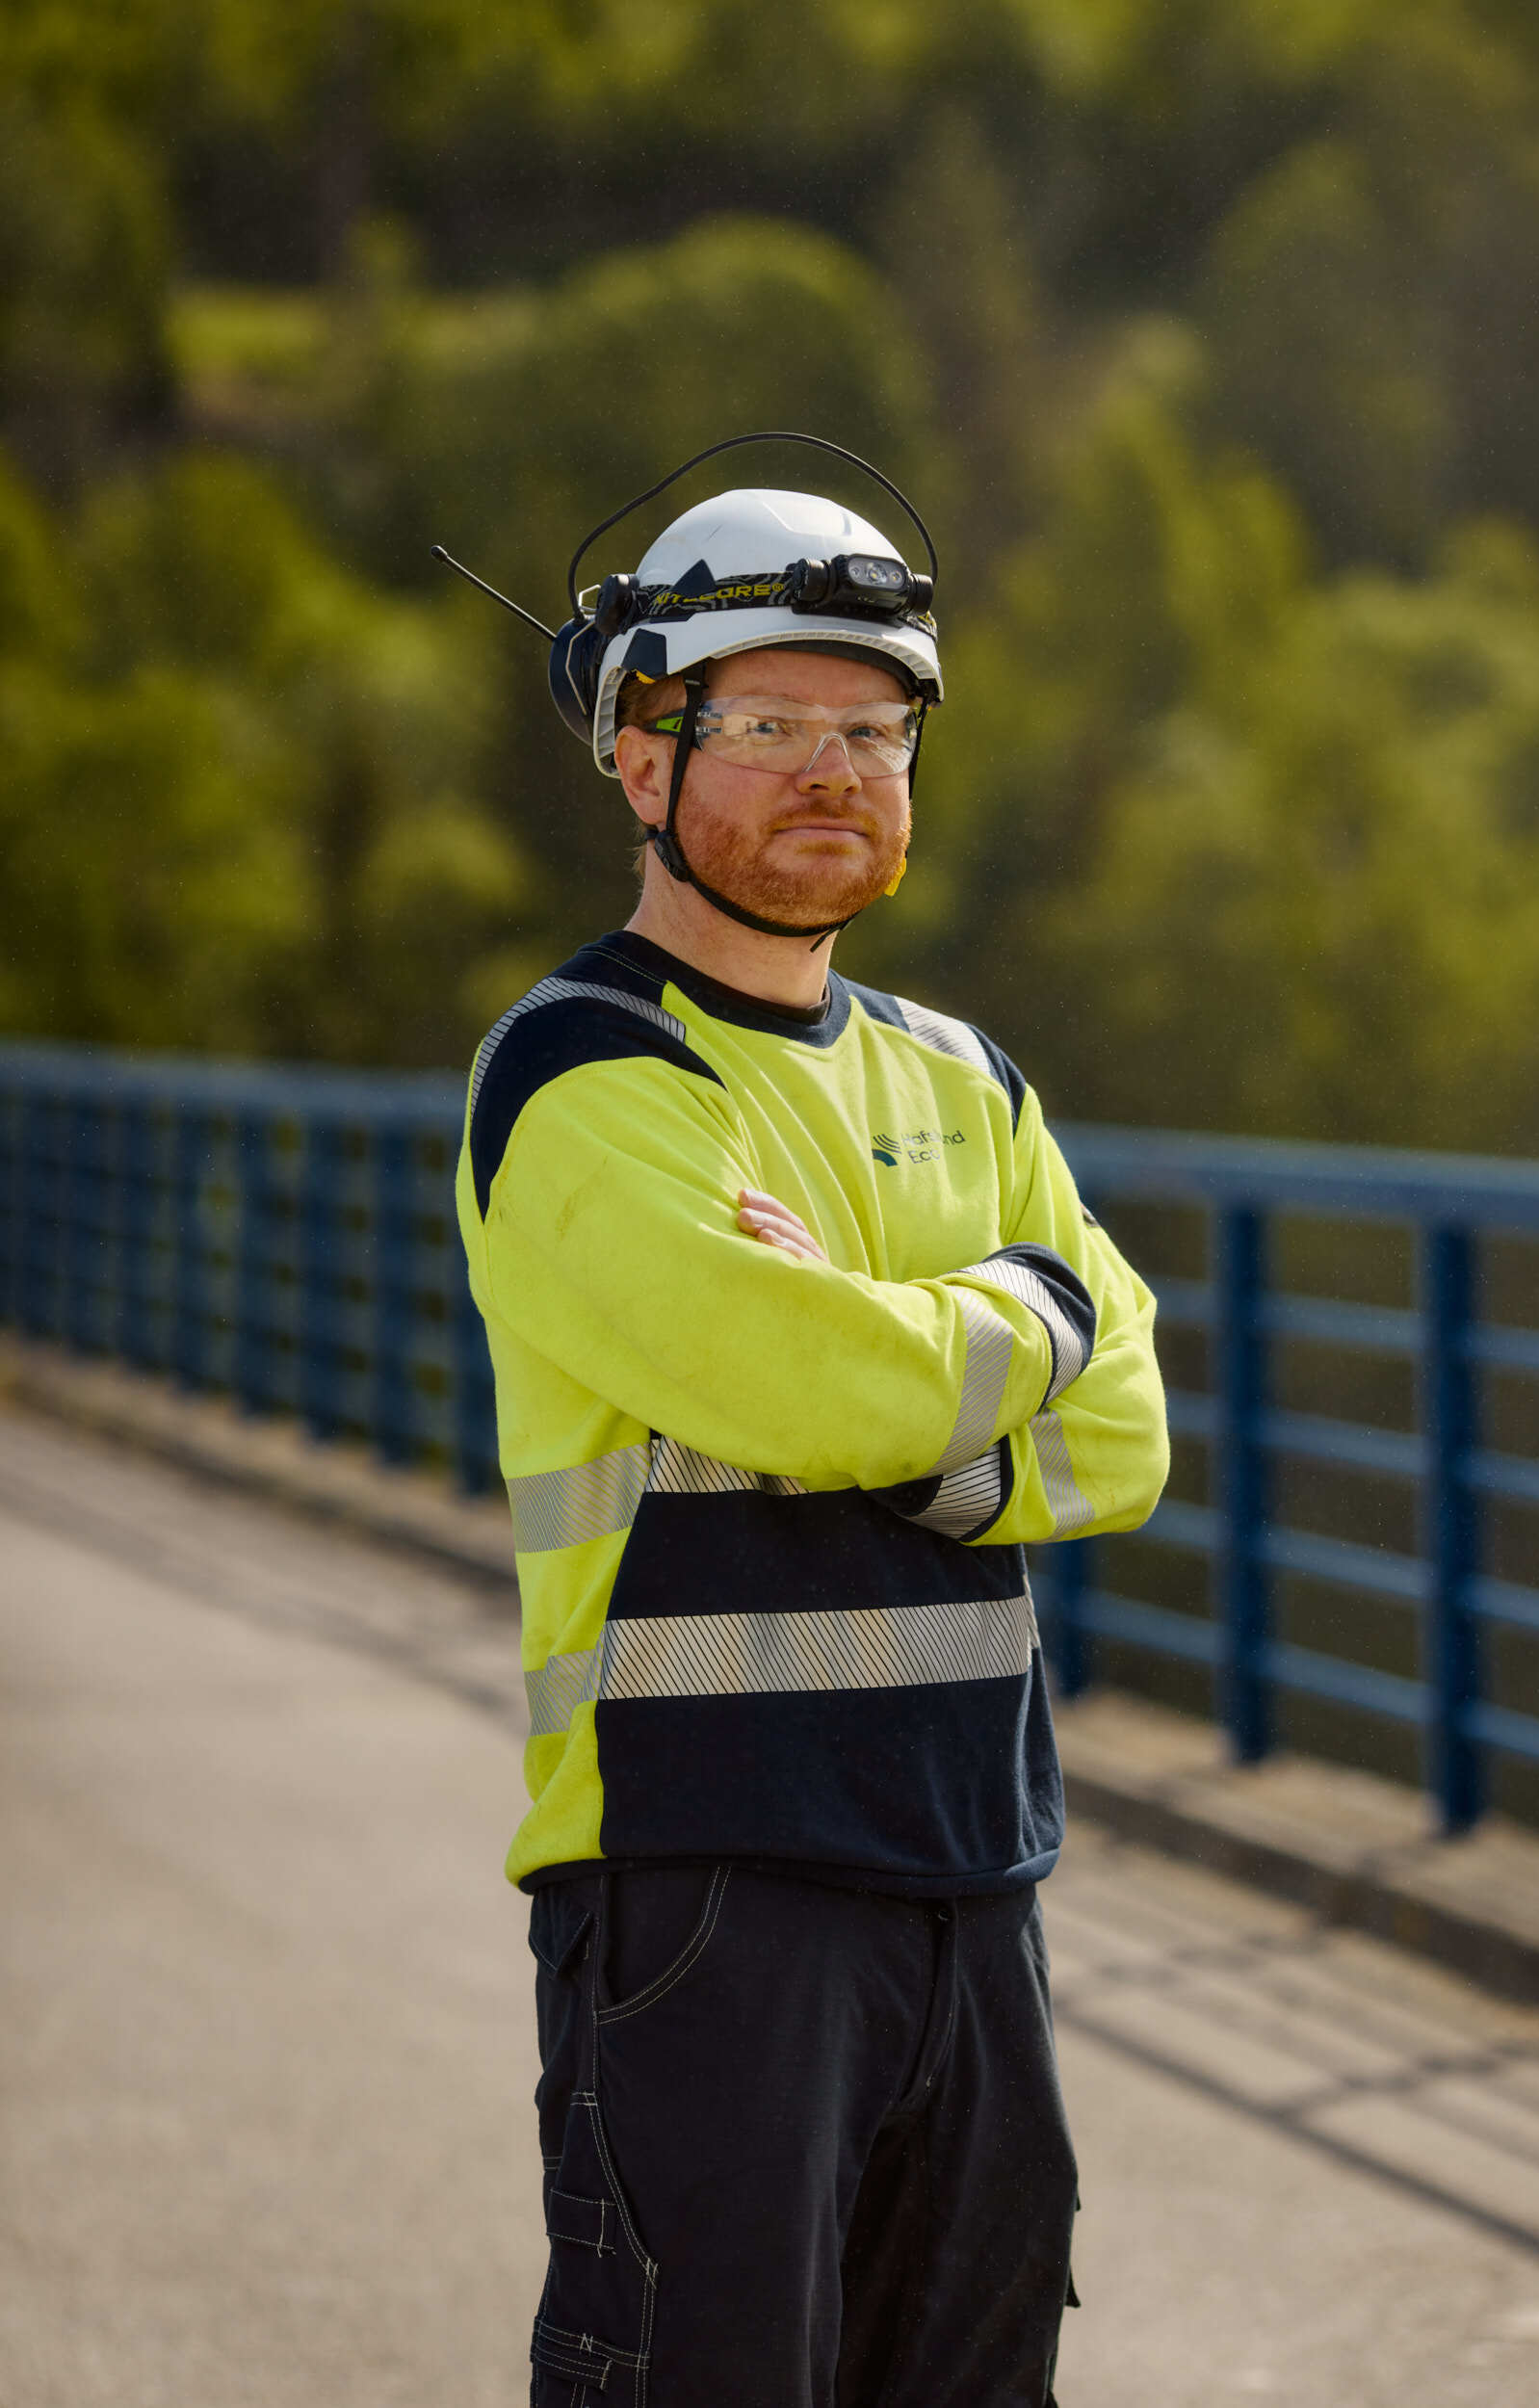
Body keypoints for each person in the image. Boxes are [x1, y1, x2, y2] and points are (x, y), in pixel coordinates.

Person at [455, 473, 1169, 2408]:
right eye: (765, 724)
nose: (834, 767)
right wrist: (1026, 1314)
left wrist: (912, 1373)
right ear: (636, 750)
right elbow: (806, 1388)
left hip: (975, 1870)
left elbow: (1128, 1435)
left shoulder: (965, 1072)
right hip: (705, 1883)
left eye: (874, 727)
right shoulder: (586, 1067)